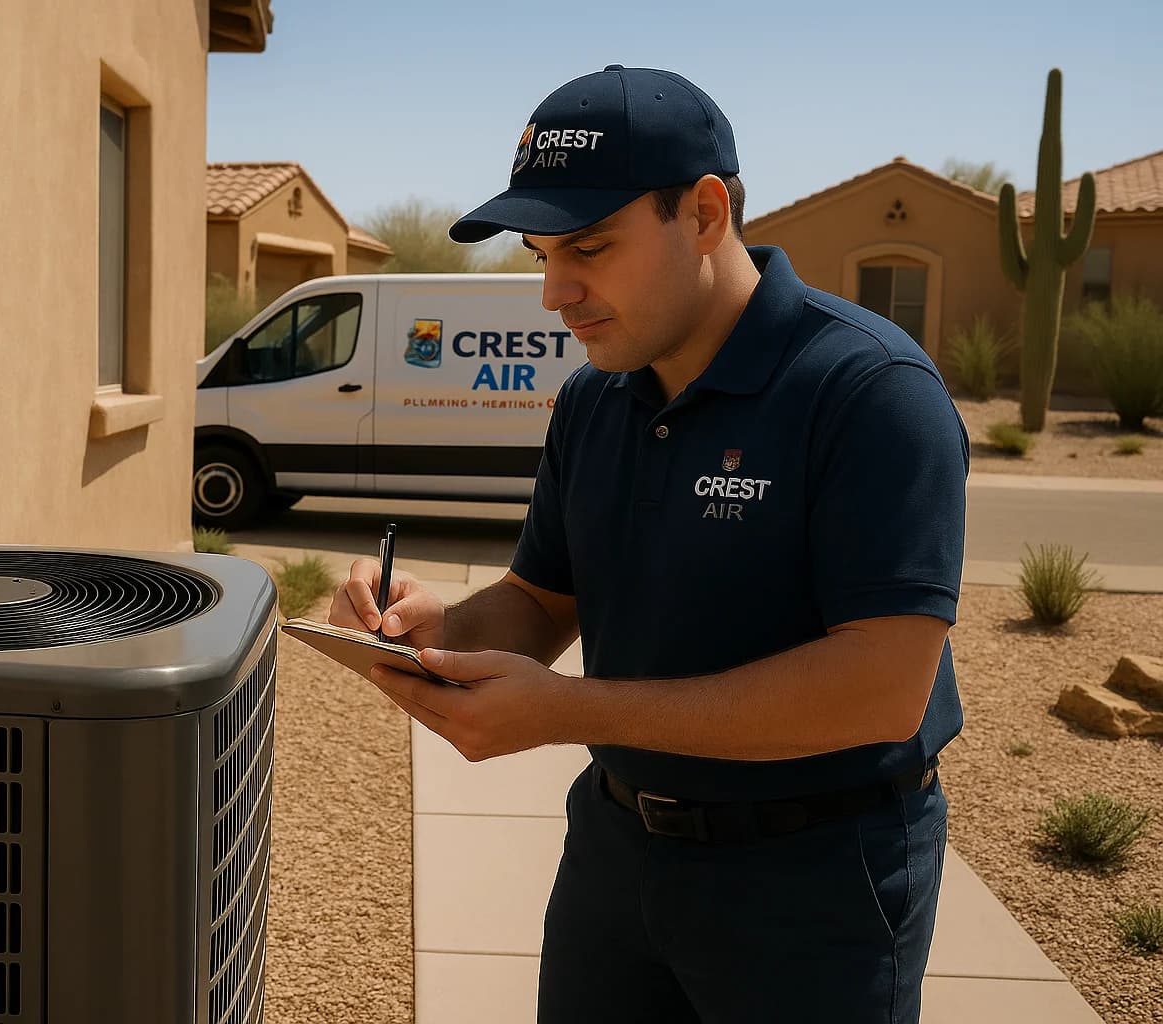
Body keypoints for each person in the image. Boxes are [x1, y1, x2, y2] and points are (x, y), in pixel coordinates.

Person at [327, 65, 969, 1023]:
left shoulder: (869, 390)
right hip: (615, 858)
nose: (555, 293)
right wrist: (437, 631)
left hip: (816, 883)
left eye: (589, 247)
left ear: (705, 214)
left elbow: (881, 689)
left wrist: (568, 711)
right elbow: (543, 600)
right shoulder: (595, 396)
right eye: (543, 254)